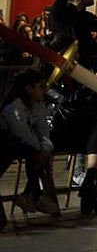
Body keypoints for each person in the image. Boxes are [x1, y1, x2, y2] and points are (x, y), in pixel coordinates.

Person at [0, 70, 59, 219]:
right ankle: (34, 195)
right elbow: (22, 133)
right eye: (41, 86)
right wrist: (39, 149)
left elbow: (44, 130)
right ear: (29, 89)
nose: (45, 89)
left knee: (41, 155)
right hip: (8, 143)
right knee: (34, 154)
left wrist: (45, 148)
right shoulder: (14, 107)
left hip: (26, 144)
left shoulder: (38, 105)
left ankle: (31, 194)